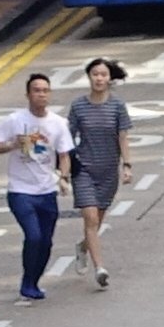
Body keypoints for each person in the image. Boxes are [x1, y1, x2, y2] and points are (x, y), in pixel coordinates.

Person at [0, 70, 68, 302]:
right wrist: (13, 144)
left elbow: (64, 154)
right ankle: (27, 282)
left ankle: (34, 280)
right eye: (36, 90)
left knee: (46, 241)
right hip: (20, 191)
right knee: (33, 236)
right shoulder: (15, 120)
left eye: (45, 91)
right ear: (28, 94)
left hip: (47, 190)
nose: (41, 95)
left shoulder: (58, 123)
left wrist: (63, 177)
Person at [63, 56, 131, 289]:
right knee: (90, 218)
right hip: (84, 169)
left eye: (103, 75)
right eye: (95, 74)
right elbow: (67, 138)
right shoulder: (79, 106)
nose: (99, 78)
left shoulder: (117, 106)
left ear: (110, 78)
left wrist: (127, 165)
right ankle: (99, 267)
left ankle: (83, 247)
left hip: (108, 171)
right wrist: (65, 167)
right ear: (89, 77)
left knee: (98, 219)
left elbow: (123, 136)